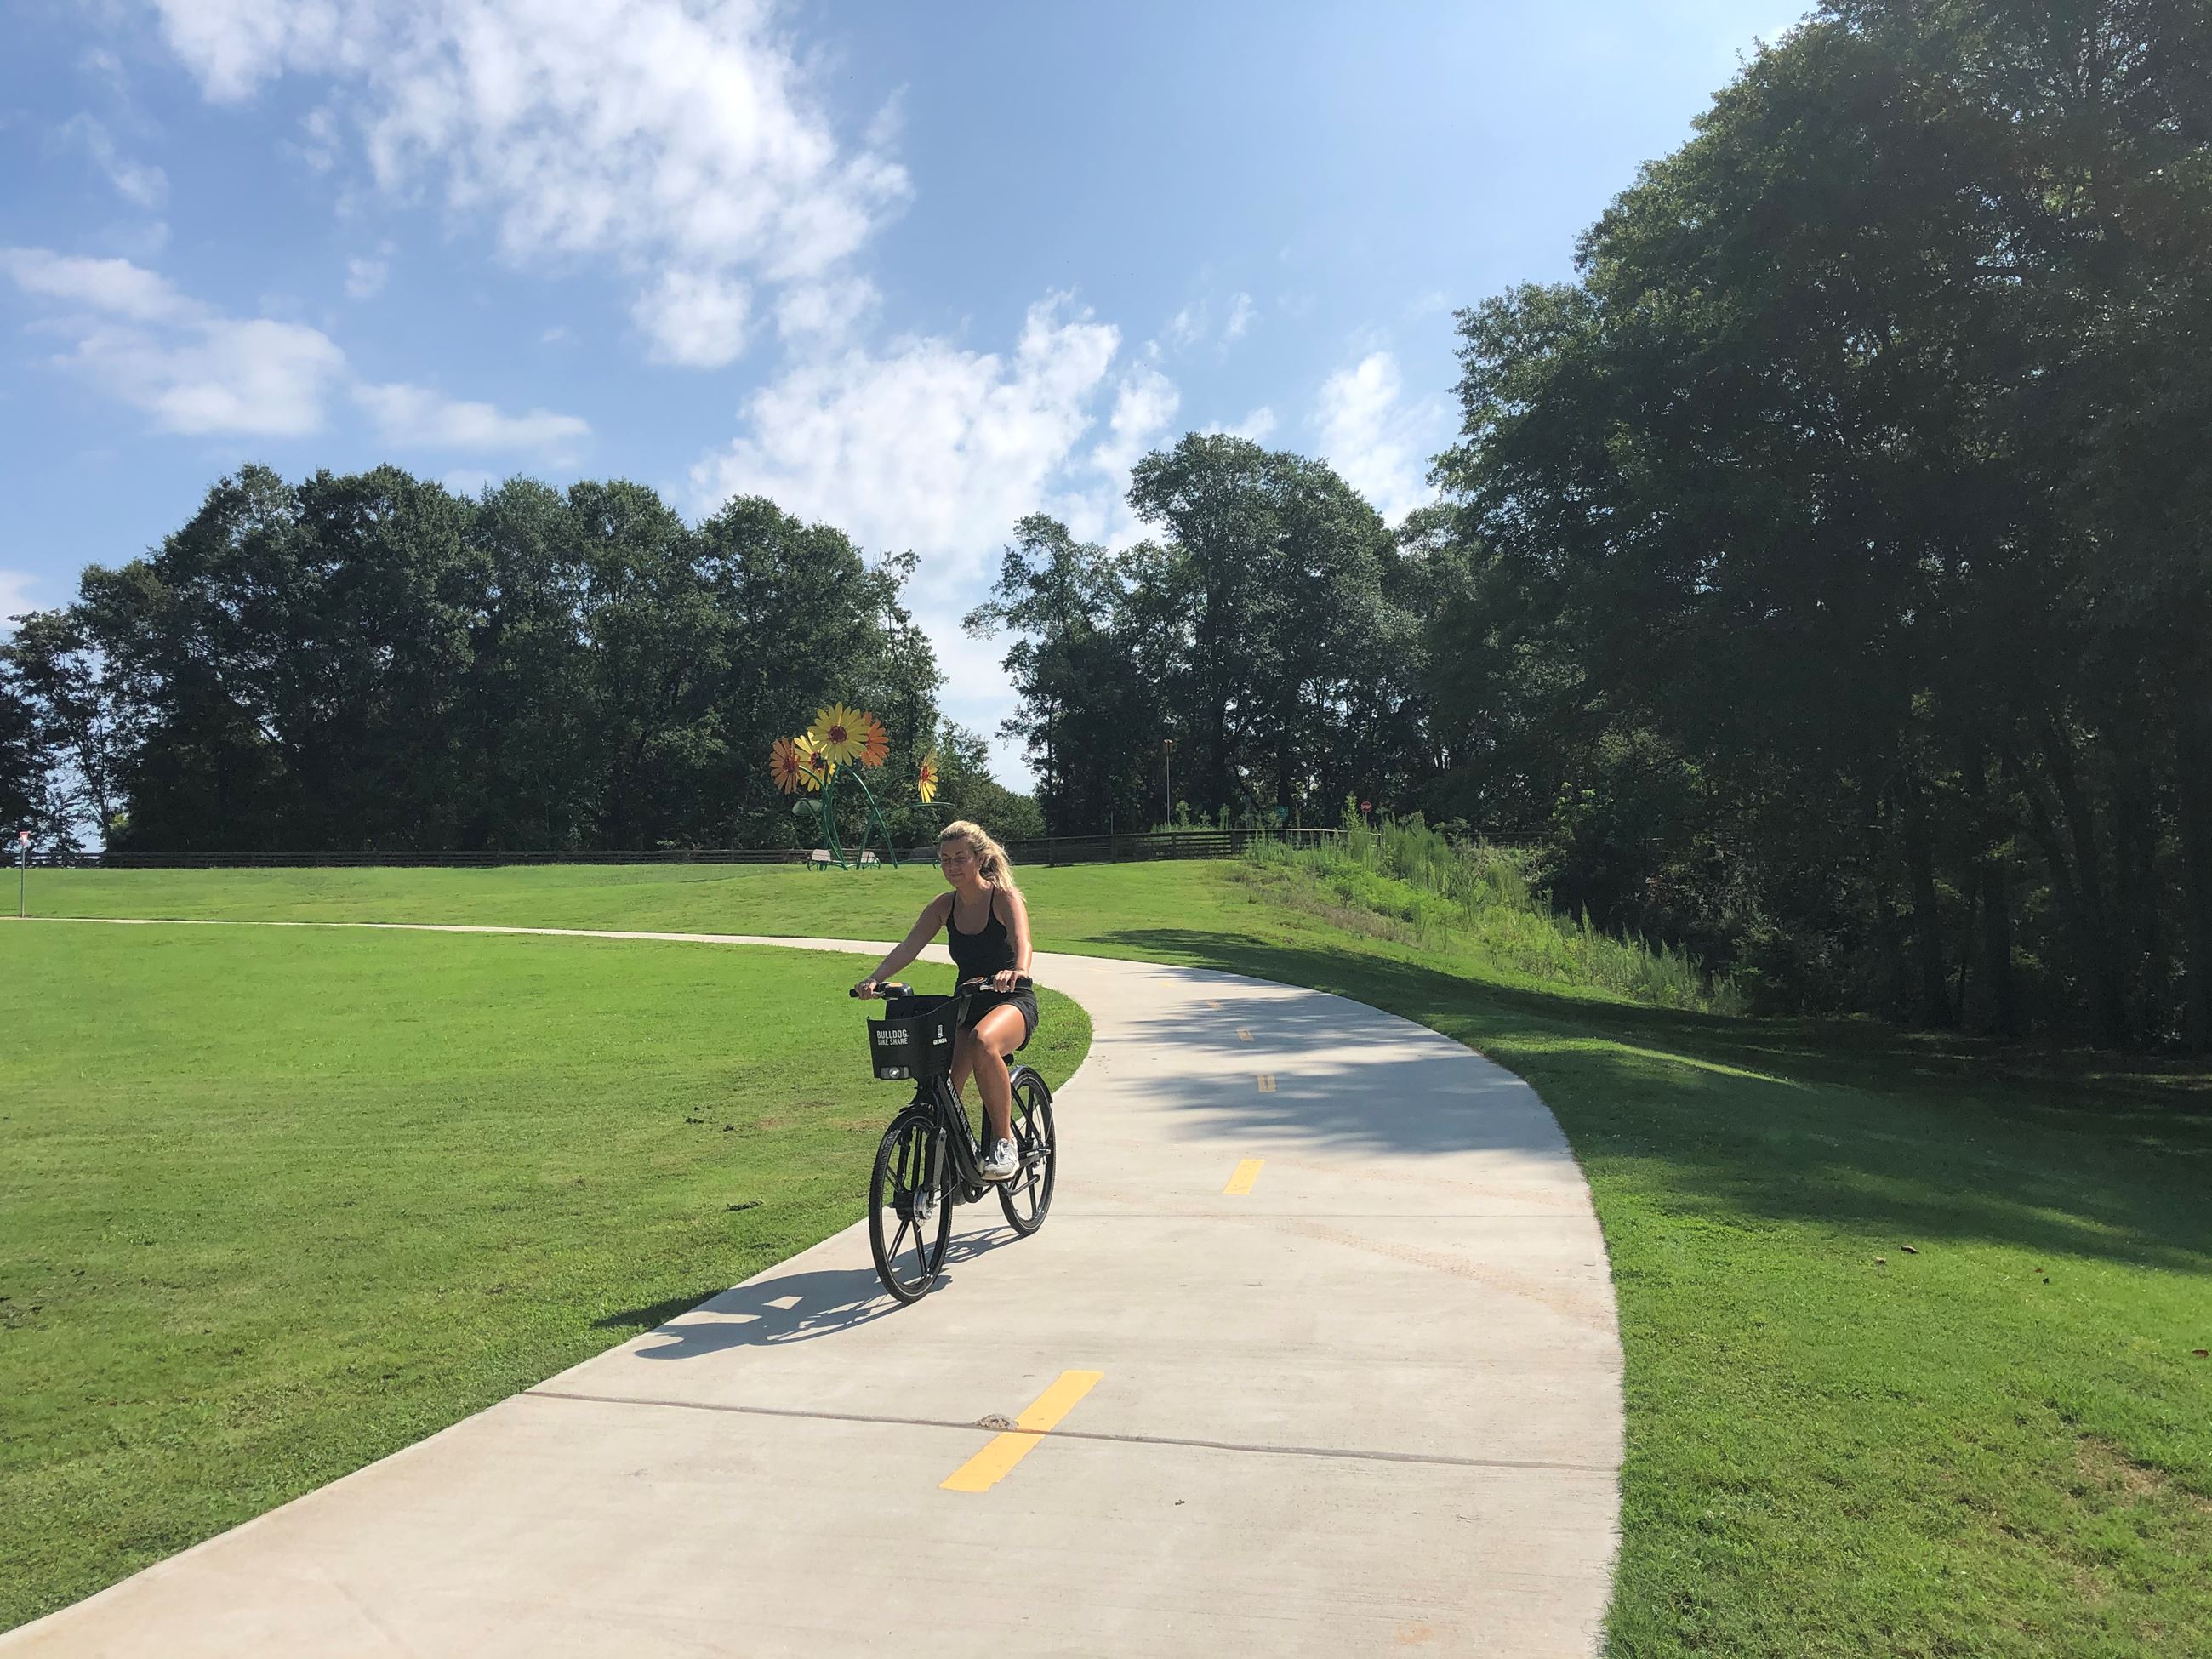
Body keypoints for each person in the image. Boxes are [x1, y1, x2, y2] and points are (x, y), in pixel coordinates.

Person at [853, 821, 1037, 1180]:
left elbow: (1022, 939)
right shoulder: (943, 906)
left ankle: (1004, 1143)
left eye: (960, 858)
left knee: (982, 1042)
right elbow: (909, 947)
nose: (952, 867)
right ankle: (949, 1163)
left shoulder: (1003, 897)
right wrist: (876, 978)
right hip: (967, 1003)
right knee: (941, 1081)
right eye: (946, 859)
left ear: (979, 858)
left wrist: (1016, 970)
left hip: (1010, 999)